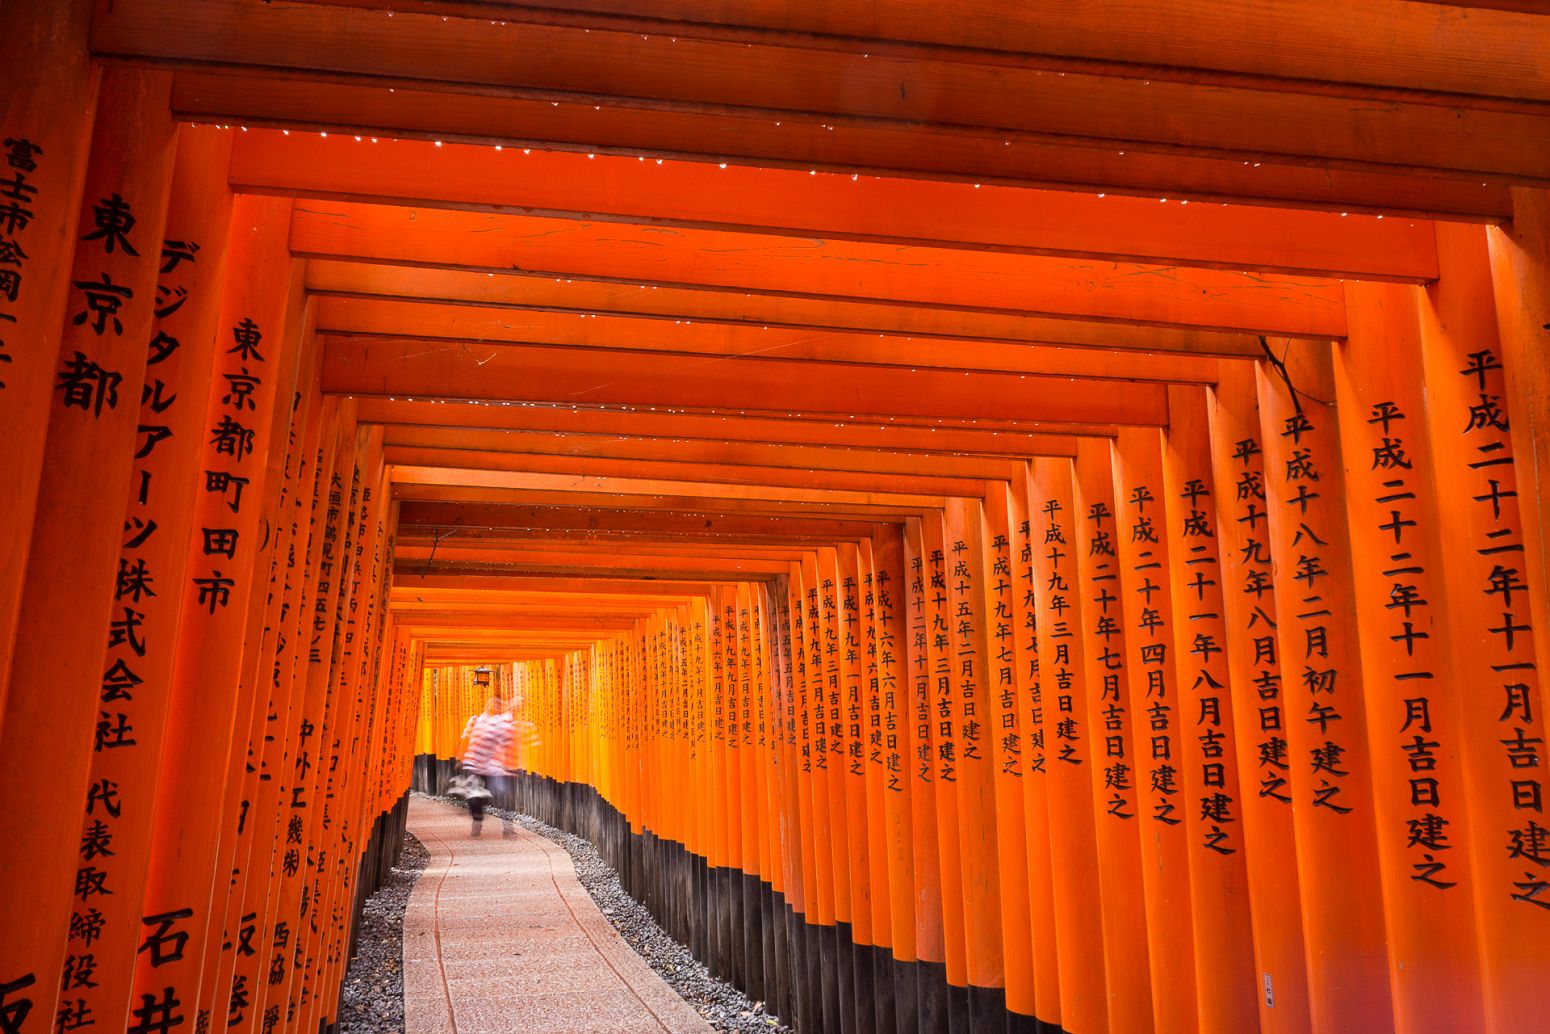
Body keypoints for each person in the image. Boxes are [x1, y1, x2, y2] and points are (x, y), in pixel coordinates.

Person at [458, 696, 516, 837]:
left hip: (493, 768)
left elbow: (507, 740)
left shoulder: (499, 723)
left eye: (498, 706)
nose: (495, 708)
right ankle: (477, 821)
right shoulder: (475, 721)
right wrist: (460, 757)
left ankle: (508, 827)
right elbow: (465, 738)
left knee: (503, 796)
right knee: (474, 798)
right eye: (493, 705)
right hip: (475, 765)